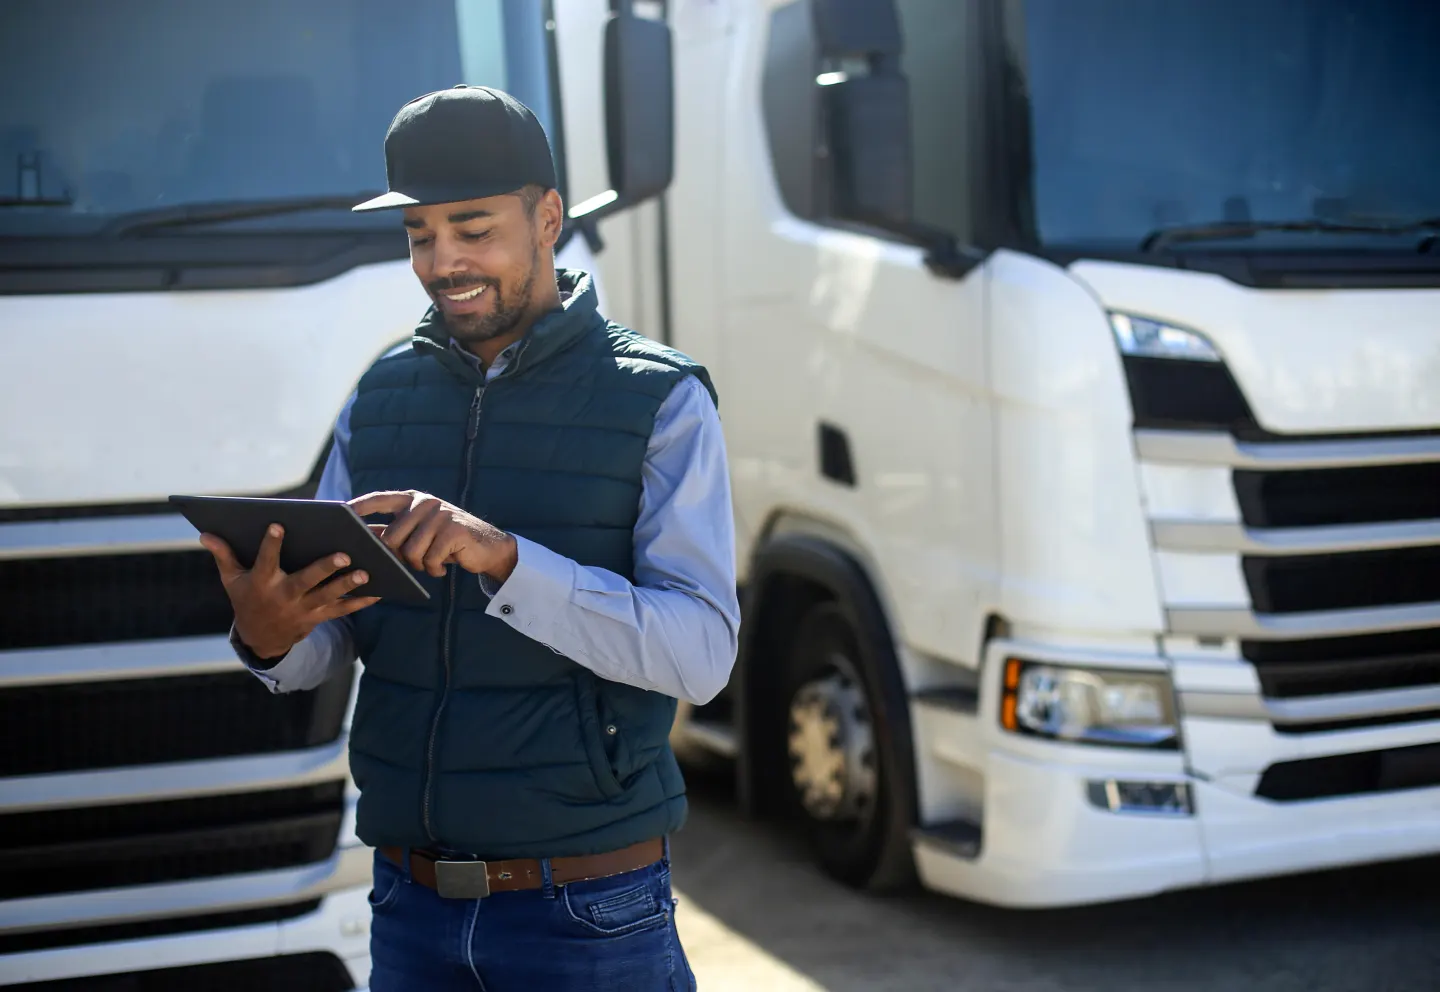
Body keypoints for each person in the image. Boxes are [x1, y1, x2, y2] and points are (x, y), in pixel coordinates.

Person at [200, 85, 738, 991]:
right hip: (409, 912)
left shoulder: (661, 400)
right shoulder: (377, 400)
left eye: (473, 228)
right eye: (419, 234)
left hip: (590, 914)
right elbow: (325, 646)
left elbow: (703, 656)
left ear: (548, 218)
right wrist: (269, 632)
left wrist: (508, 560)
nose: (442, 261)